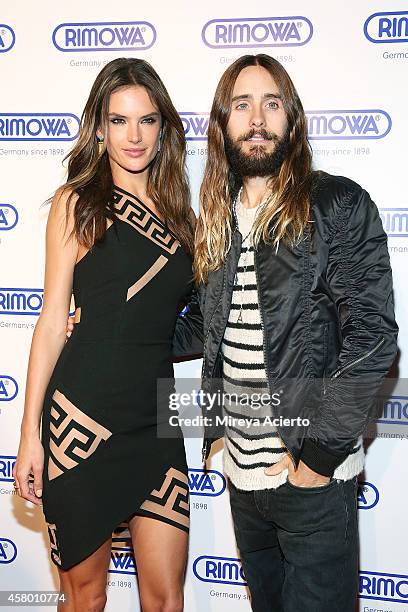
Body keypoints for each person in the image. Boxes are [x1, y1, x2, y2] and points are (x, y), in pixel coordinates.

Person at [191, 55, 398, 611]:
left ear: (292, 120)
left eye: (271, 103)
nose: (256, 118)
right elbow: (203, 327)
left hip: (310, 479)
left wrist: (319, 459)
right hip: (243, 480)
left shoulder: (337, 204)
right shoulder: (216, 222)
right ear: (223, 123)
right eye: (242, 104)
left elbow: (373, 338)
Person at [13, 57, 202, 612]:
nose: (134, 135)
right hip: (82, 420)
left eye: (146, 120)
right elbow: (51, 322)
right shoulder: (78, 203)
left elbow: (187, 321)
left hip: (156, 425)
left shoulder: (182, 217)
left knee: (165, 600)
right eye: (120, 121)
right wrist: (30, 438)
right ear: (100, 126)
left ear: (163, 127)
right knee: (86, 599)